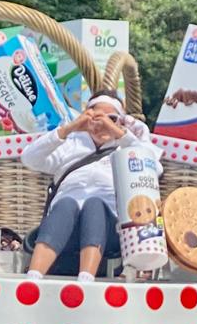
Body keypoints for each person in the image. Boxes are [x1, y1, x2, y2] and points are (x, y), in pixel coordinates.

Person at [20, 89, 161, 280]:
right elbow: (29, 158)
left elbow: (152, 166)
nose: (102, 125)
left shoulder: (127, 148)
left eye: (111, 118)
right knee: (66, 203)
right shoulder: (71, 145)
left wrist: (119, 134)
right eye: (96, 118)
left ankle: (86, 278)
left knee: (95, 205)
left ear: (120, 121)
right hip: (63, 226)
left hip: (108, 229)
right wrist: (69, 128)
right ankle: (33, 277)